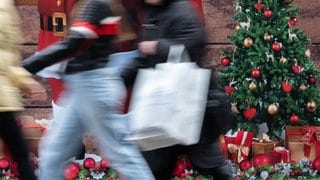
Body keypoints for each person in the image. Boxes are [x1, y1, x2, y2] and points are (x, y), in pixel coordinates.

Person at [22, 0, 155, 179]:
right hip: (83, 86)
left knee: (121, 154)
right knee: (54, 153)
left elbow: (72, 44)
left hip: (94, 87)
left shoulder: (97, 5)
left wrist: (26, 67)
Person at [123, 0, 234, 179]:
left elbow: (194, 45)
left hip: (191, 108)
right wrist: (119, 79)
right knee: (155, 171)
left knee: (213, 168)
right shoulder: (150, 14)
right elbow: (143, 59)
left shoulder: (182, 9)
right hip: (161, 111)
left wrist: (158, 46)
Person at [0, 0, 43, 179]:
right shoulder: (4, 9)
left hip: (4, 97)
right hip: (3, 98)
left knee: (20, 153)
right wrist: (25, 81)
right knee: (21, 154)